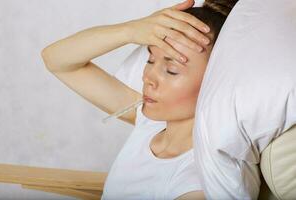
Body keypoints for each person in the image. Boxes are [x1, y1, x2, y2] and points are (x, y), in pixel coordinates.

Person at [41, 0, 237, 199]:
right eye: (150, 60)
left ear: (216, 82)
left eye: (171, 70)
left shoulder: (193, 182)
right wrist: (130, 31)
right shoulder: (149, 122)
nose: (148, 77)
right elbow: (57, 61)